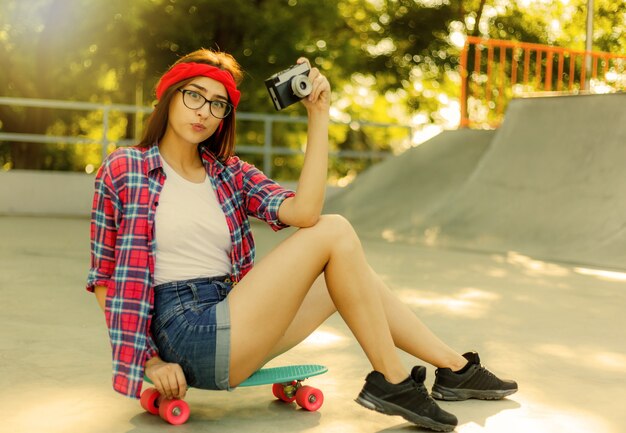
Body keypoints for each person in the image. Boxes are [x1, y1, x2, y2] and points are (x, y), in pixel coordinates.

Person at [87, 48, 517, 432]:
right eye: (194, 96)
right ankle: (393, 380)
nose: (204, 111)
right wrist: (149, 359)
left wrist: (318, 115)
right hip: (185, 331)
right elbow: (104, 277)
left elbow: (304, 213)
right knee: (336, 231)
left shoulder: (228, 173)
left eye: (218, 104)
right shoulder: (125, 169)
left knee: (346, 272)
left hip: (231, 318)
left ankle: (454, 369)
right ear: (170, 96)